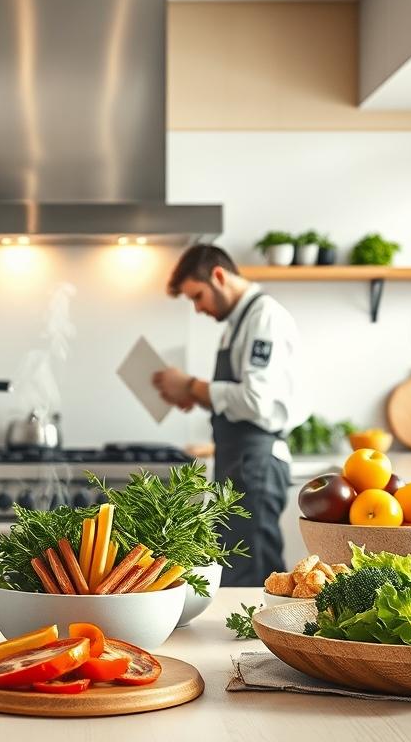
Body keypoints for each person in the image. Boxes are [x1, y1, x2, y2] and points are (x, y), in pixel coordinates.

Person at [153, 244, 307, 587]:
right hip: (239, 460)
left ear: (219, 276)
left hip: (257, 463)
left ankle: (262, 641)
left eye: (198, 296)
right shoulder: (237, 323)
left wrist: (192, 385)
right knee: (235, 566)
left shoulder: (263, 318)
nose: (198, 308)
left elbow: (255, 401)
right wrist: (195, 395)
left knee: (254, 573)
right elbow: (238, 399)